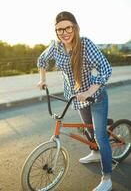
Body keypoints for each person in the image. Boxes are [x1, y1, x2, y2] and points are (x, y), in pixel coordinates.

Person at [37, 11, 112, 191]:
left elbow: (106, 69)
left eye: (68, 27)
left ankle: (107, 178)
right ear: (56, 32)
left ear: (75, 27)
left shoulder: (85, 44)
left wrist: (89, 91)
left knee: (100, 137)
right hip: (76, 96)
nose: (64, 32)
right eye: (59, 29)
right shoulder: (56, 46)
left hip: (95, 95)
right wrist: (42, 79)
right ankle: (94, 153)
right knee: (88, 129)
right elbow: (42, 60)